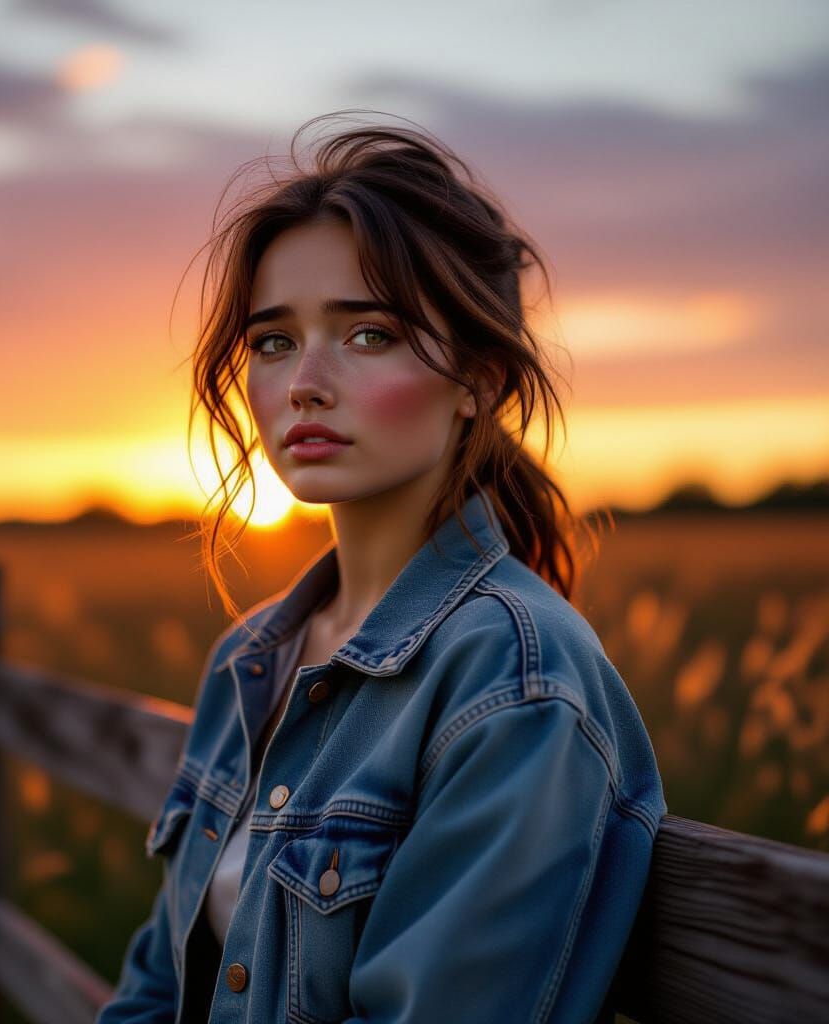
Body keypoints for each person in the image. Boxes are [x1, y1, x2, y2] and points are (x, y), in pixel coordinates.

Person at [96, 111, 667, 1024]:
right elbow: (157, 989)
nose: (305, 382)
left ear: (479, 378)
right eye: (273, 341)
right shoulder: (250, 661)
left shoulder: (514, 682)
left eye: (368, 335)